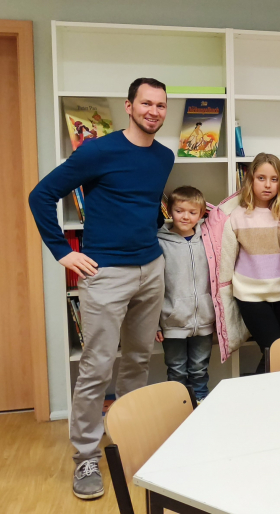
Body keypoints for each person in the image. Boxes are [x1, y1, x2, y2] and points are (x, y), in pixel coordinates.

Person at [28, 78, 173, 499]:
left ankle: (131, 437)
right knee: (96, 367)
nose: (154, 111)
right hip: (106, 273)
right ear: (129, 106)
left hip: (151, 268)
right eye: (146, 103)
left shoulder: (163, 156)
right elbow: (41, 195)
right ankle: (86, 456)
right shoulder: (97, 151)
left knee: (139, 361)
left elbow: (143, 206)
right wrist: (62, 252)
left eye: (161, 105)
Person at [214, 153, 280, 373]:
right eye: (261, 178)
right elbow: (226, 260)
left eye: (274, 179)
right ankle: (255, 392)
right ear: (250, 179)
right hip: (250, 296)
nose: (267, 185)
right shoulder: (234, 215)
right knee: (274, 351)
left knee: (279, 354)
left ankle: (262, 391)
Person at [155, 186, 215, 401]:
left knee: (199, 369)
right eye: (179, 211)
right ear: (170, 211)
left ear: (201, 214)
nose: (185, 217)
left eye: (192, 212)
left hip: (204, 320)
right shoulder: (160, 242)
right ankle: (177, 409)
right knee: (176, 370)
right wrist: (156, 323)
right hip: (172, 321)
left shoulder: (207, 240)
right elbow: (154, 286)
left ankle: (201, 406)